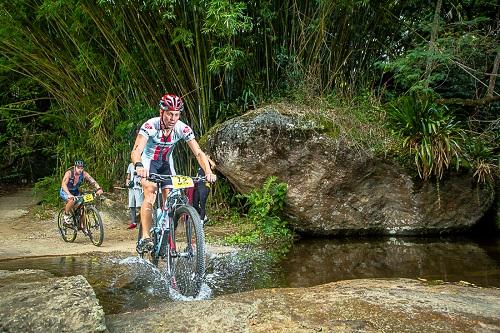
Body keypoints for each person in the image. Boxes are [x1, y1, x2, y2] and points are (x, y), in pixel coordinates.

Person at [131, 93, 217, 253]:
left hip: (166, 164)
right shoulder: (150, 125)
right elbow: (136, 150)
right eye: (170, 113)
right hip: (148, 163)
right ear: (161, 112)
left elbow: (198, 152)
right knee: (150, 192)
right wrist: (139, 165)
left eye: (177, 114)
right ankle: (145, 237)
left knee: (170, 199)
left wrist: (208, 171)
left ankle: (165, 233)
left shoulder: (182, 128)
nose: (173, 118)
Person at [59, 160, 104, 229]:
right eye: (78, 167)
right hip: (65, 191)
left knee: (82, 207)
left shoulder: (84, 174)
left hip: (75, 191)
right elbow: (63, 184)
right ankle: (66, 216)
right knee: (72, 200)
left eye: (82, 168)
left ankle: (83, 226)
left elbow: (92, 180)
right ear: (74, 167)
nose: (80, 169)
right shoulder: (69, 173)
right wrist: (68, 194)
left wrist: (98, 188)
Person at [192, 156, 216, 225]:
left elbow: (214, 166)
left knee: (202, 204)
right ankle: (205, 217)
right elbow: (197, 176)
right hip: (198, 186)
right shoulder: (200, 166)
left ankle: (201, 222)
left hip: (205, 185)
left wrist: (207, 158)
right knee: (195, 204)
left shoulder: (208, 165)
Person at [126, 162, 144, 229]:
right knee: (131, 205)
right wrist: (127, 182)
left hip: (138, 187)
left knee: (139, 205)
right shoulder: (130, 165)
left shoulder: (142, 164)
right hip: (131, 187)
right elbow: (128, 175)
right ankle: (133, 222)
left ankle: (142, 222)